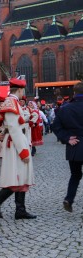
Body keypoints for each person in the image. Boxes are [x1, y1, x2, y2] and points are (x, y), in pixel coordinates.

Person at [0, 78, 36, 220]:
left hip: (16, 141)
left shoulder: (11, 102)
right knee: (17, 176)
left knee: (21, 176)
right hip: (16, 143)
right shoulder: (12, 103)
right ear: (20, 90)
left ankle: (20, 210)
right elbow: (15, 129)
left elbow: (12, 125)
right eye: (23, 91)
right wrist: (23, 151)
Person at [52, 82, 83, 212]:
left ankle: (68, 199)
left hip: (74, 146)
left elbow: (55, 127)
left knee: (75, 175)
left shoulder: (65, 108)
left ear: (74, 93)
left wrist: (66, 138)